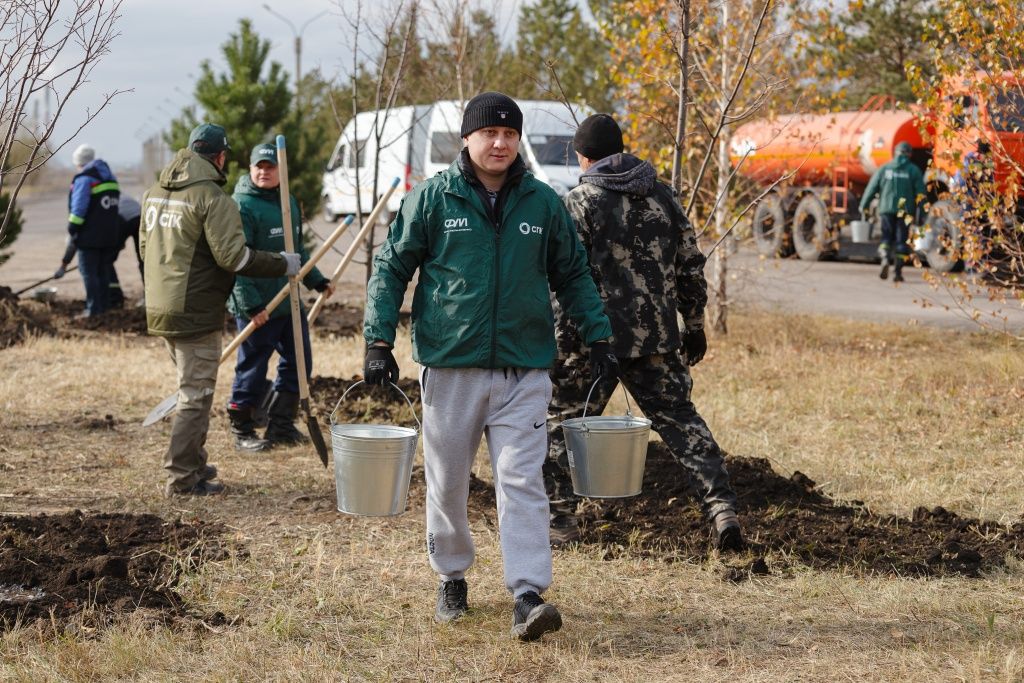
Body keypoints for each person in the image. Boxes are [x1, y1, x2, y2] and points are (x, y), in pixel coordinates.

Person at [363, 92, 615, 642]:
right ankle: (452, 576)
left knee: (522, 479)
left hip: (524, 368)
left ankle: (528, 594)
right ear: (468, 139)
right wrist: (378, 341)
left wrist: (600, 335)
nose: (500, 143)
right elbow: (390, 267)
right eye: (489, 133)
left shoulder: (543, 203)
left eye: (509, 133)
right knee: (449, 481)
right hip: (451, 368)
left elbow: (572, 274)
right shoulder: (433, 199)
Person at [543, 113, 744, 553]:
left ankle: (559, 523)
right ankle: (721, 509)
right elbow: (691, 264)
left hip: (589, 343)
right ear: (620, 151)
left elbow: (562, 277)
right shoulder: (664, 197)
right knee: (682, 422)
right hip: (656, 339)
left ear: (583, 156)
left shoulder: (579, 201)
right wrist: (694, 327)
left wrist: (558, 337)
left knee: (561, 423)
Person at [140, 123, 301, 497]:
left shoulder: (155, 192)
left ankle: (195, 465)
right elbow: (236, 256)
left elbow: (145, 249)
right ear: (221, 157)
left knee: (190, 391)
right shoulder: (212, 198)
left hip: (161, 306)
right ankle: (182, 479)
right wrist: (283, 263)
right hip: (194, 310)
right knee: (195, 397)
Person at [225, 142, 334, 452]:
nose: (264, 171)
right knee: (253, 366)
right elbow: (236, 259)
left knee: (299, 364)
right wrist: (251, 306)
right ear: (250, 169)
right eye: (259, 166)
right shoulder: (241, 206)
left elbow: (297, 250)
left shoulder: (287, 201)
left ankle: (281, 425)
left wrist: (316, 280)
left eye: (270, 167)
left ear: (279, 170)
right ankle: (242, 427)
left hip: (288, 300)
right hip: (258, 304)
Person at [53, 144, 121, 317]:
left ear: (79, 163)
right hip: (110, 235)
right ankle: (103, 307)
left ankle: (92, 310)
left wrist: (73, 228)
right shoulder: (110, 178)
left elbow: (79, 208)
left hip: (89, 236)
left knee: (88, 272)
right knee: (103, 271)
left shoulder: (84, 179)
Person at [858, 141, 926, 282]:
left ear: (895, 152)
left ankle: (884, 259)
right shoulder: (913, 170)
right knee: (902, 240)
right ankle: (898, 272)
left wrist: (863, 205)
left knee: (886, 237)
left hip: (886, 209)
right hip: (905, 211)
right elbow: (921, 194)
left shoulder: (884, 169)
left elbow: (871, 188)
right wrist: (924, 212)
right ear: (909, 154)